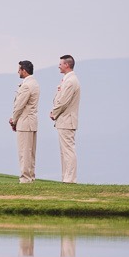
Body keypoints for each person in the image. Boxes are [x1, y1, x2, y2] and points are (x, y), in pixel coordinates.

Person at [50, 54, 81, 183]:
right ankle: (66, 177)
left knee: (68, 150)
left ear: (67, 65)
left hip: (67, 120)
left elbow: (63, 102)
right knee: (64, 151)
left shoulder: (70, 81)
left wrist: (54, 113)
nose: (59, 66)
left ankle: (70, 179)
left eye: (61, 64)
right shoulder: (67, 80)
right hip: (64, 120)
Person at [9, 60, 40, 183]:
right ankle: (30, 176)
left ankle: (25, 178)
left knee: (24, 152)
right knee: (30, 152)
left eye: (19, 69)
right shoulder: (35, 83)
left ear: (24, 70)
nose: (18, 71)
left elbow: (19, 105)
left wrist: (14, 120)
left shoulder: (27, 85)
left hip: (25, 121)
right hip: (32, 122)